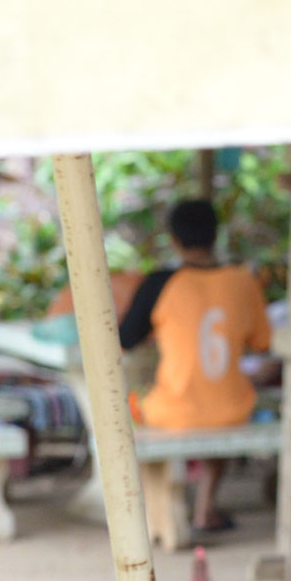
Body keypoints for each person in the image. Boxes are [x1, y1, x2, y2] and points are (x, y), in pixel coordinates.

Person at [119, 199, 273, 533]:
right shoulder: (242, 281)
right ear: (215, 235)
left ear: (173, 239)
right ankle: (205, 507)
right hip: (233, 408)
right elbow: (262, 341)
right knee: (216, 400)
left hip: (172, 411)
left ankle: (161, 513)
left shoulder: (160, 283)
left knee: (133, 404)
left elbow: (125, 338)